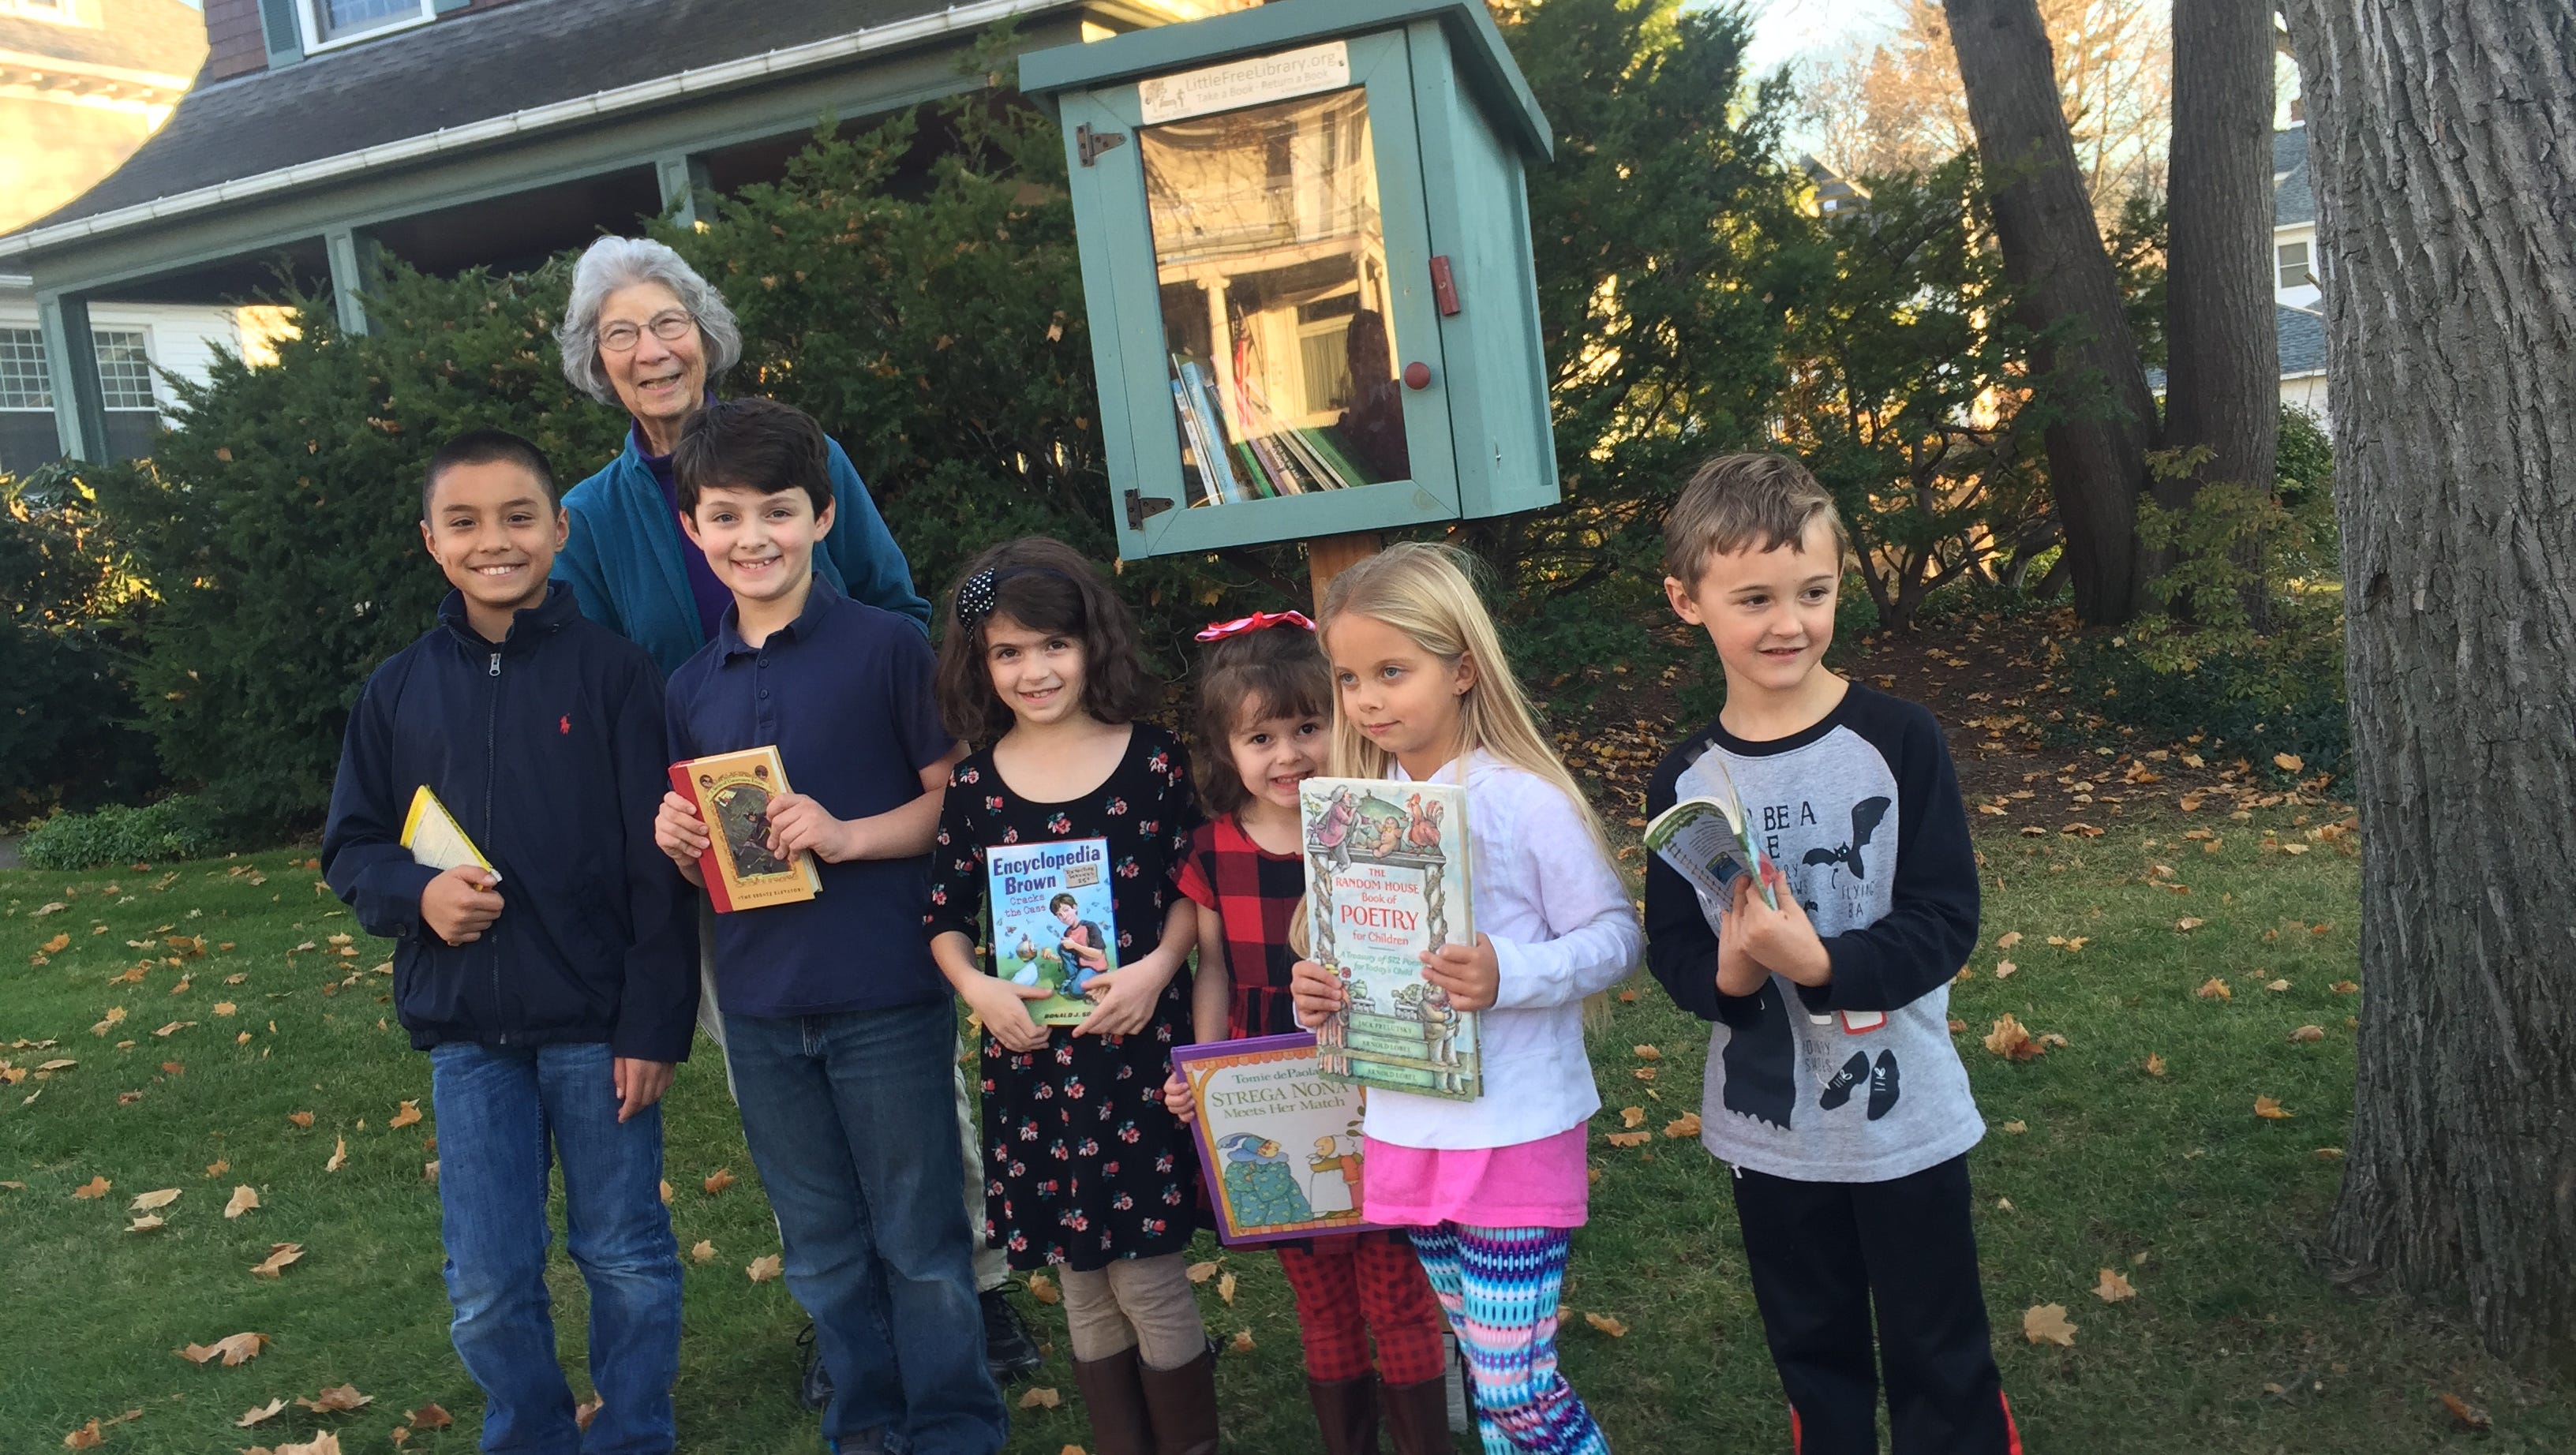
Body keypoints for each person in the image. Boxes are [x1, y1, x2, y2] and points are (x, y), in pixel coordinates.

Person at [549, 235, 1041, 1394]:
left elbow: (901, 596)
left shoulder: (803, 457)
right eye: (620, 333)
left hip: (856, 796)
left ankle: (969, 1283)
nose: (649, 349)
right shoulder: (593, 512)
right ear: (596, 362)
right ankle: (847, 1313)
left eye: (666, 321)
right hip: (713, 819)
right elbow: (603, 685)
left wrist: (859, 720)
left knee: (902, 1065)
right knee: (777, 1068)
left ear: (705, 333)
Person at [321, 429, 697, 1454]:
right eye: (467, 522)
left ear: (560, 529)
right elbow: (351, 845)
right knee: (488, 1281)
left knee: (624, 1253)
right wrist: (417, 894)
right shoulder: (396, 691)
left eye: (519, 516)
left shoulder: (619, 678)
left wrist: (653, 1026)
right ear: (432, 542)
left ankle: (632, 1436)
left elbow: (660, 870)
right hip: (468, 1033)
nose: (496, 540)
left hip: (598, 1028)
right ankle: (529, 1433)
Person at [650, 398, 1005, 1455]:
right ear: (693, 532)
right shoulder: (689, 684)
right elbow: (710, 842)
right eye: (724, 517)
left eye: (777, 511)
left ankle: (950, 1427)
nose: (751, 537)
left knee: (921, 1241)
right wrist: (676, 835)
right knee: (820, 1247)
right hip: (760, 1005)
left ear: (823, 516)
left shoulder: (889, 649)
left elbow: (959, 804)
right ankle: (867, 1425)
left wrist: (847, 835)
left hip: (884, 992)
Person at [1642, 454, 2015, 1454]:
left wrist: (1819, 960)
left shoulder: (1899, 739)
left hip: (1907, 1121)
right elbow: (1673, 948)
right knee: (1814, 1345)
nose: (1789, 623)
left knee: (1940, 1347)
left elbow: (1945, 920)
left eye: (1815, 592)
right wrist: (1731, 972)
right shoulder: (1685, 775)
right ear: (1689, 600)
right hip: (1773, 1134)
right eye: (1754, 597)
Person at [1289, 543, 1642, 1455]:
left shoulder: (1523, 801)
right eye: (1351, 676)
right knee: (1490, 1377)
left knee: (1515, 1380)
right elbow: (1359, 962)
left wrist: (1507, 973)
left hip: (1516, 1128)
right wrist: (1321, 997)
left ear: (1463, 668)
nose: (1368, 697)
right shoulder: (1356, 812)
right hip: (1410, 1126)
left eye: (1392, 670)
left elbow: (1615, 935)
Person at [923, 537, 1218, 1455]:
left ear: (1092, 642)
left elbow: (1191, 887)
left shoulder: (1157, 761)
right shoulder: (976, 786)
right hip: (1034, 1065)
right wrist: (978, 988)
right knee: (1081, 1279)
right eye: (1007, 652)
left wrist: (1160, 966)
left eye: (1052, 644)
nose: (1033, 669)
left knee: (1149, 1275)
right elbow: (943, 912)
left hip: (1137, 1052)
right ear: (980, 664)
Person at [1159, 610, 1451, 1455]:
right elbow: (1210, 969)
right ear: (1227, 748)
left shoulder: (1379, 827)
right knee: (1320, 1292)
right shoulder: (1212, 849)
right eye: (1261, 736)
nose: (1287, 753)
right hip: (1267, 1083)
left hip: (1376, 1072)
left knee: (1395, 1282)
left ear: (1339, 725)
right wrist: (1206, 1075)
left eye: (1306, 727)